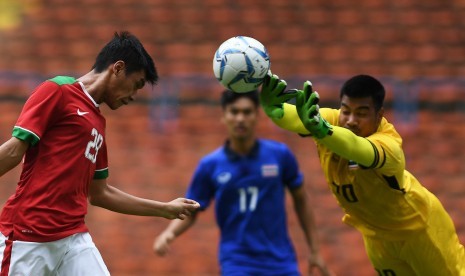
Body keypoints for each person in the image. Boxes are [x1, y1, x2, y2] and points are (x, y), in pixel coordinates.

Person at [0, 31, 200, 275]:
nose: (134, 96)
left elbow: (100, 193)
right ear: (117, 68)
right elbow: (13, 151)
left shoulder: (97, 122)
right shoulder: (58, 91)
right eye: (136, 84)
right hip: (28, 236)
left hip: (72, 238)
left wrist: (163, 208)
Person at [259, 73, 465, 275]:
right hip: (377, 238)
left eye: (362, 113)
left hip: (418, 230)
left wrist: (322, 130)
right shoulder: (332, 121)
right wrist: (274, 111)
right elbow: (295, 118)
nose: (351, 120)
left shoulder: (389, 144)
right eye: (346, 111)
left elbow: (357, 147)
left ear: (379, 115)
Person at [153, 90, 332, 276]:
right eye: (234, 112)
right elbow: (191, 209)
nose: (240, 118)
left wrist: (315, 250)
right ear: (224, 116)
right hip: (237, 263)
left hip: (281, 261)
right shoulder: (211, 165)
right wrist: (170, 233)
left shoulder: (280, 155)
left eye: (247, 112)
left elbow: (301, 199)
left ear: (257, 115)